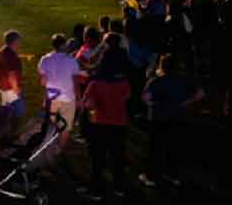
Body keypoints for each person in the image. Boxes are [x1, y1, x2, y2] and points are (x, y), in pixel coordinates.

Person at [138, 53, 205, 188]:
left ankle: (151, 176)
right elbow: (200, 94)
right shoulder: (184, 80)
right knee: (173, 147)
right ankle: (172, 175)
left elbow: (145, 98)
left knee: (155, 148)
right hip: (177, 117)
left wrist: (153, 103)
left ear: (162, 66)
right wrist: (185, 102)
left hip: (158, 118)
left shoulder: (156, 81)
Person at [78, 49, 131, 201]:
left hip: (99, 124)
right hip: (119, 125)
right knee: (118, 158)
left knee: (98, 159)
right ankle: (119, 187)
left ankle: (97, 189)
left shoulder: (95, 83)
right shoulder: (124, 82)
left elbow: (86, 104)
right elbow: (127, 97)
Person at [38, 33, 80, 153]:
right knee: (66, 128)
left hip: (52, 98)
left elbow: (42, 81)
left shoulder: (45, 59)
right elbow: (76, 82)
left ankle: (50, 147)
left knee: (53, 124)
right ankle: (59, 151)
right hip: (68, 99)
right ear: (63, 45)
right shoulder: (72, 61)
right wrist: (79, 99)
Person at [0, 30, 25, 144]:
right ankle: (13, 135)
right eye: (19, 41)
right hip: (10, 88)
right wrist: (17, 90)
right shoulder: (11, 56)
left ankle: (2, 134)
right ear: (15, 42)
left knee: (5, 109)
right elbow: (12, 74)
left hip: (3, 86)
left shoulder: (2, 51)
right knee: (19, 111)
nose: (20, 43)